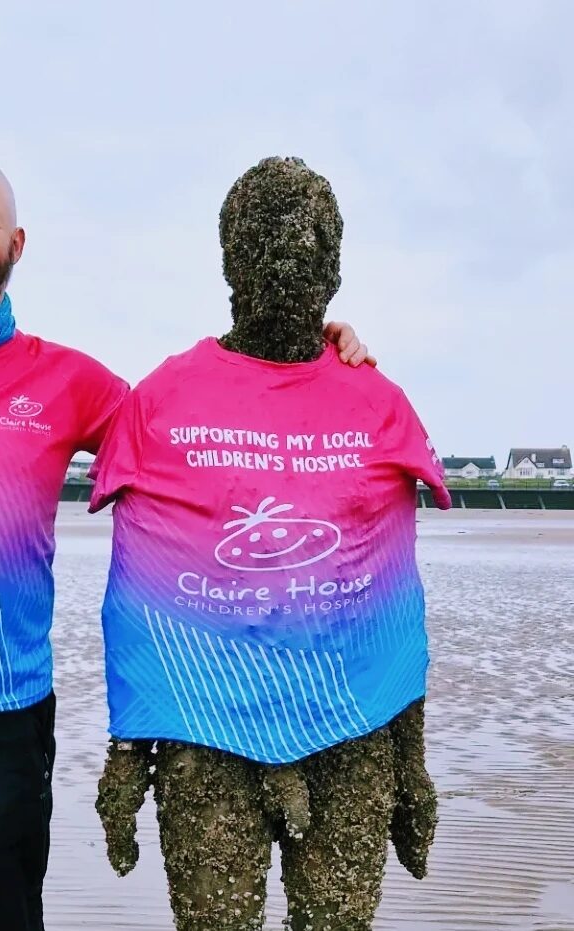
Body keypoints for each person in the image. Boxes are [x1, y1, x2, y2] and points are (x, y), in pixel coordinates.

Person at [0, 148, 371, 930]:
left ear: (15, 244)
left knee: (7, 918)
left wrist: (304, 352)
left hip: (5, 721)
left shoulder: (70, 382)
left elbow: (199, 430)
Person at [90, 157, 449, 931]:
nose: (292, 249)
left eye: (315, 234)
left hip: (351, 732)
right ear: (227, 255)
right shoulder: (159, 401)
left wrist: (411, 761)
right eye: (265, 233)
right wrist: (126, 752)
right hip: (204, 732)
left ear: (338, 262)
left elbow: (397, 591)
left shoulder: (378, 403)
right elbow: (136, 581)